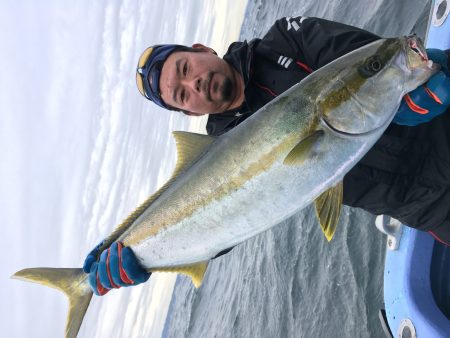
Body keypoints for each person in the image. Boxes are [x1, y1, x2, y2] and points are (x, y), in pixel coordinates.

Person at [84, 16, 450, 295]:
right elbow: (216, 229)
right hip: (429, 209)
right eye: (182, 96)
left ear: (202, 50)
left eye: (184, 69)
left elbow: (374, 60)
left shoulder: (287, 40)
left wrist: (437, 71)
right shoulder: (213, 158)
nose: (193, 84)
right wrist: (128, 251)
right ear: (191, 113)